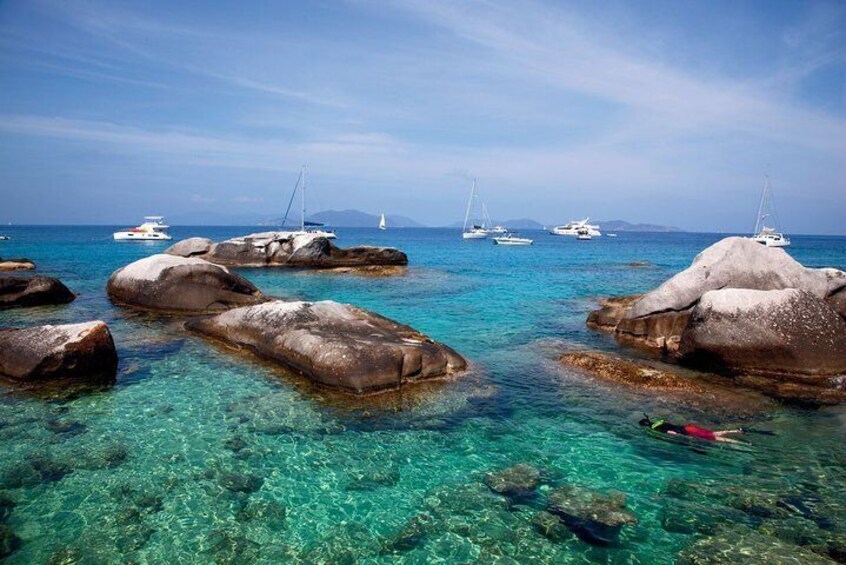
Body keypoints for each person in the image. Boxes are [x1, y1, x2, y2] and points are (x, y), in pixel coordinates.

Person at [638, 415, 745, 444]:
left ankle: (741, 443)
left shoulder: (655, 429)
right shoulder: (658, 421)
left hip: (687, 431)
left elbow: (671, 432)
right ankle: (737, 431)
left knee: (714, 437)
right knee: (712, 433)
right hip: (688, 427)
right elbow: (667, 422)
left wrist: (685, 437)